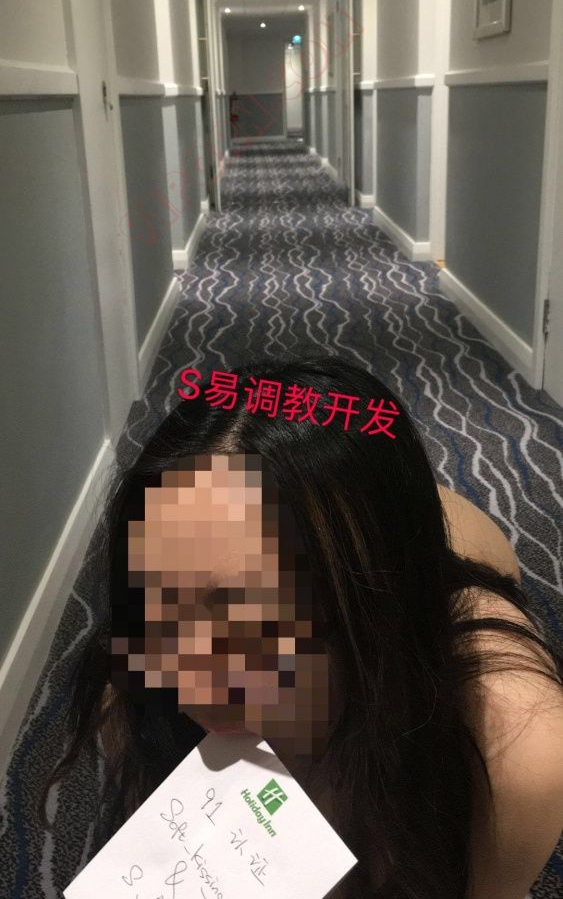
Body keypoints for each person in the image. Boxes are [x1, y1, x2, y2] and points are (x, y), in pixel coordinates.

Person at [39, 355, 563, 899]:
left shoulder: (516, 749)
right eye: (159, 598)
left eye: (251, 619)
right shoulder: (131, 687)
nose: (187, 683)